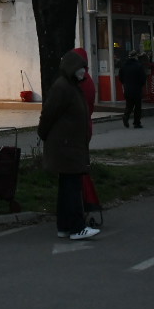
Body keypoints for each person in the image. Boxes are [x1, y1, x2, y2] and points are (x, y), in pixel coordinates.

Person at [39, 50, 99, 240]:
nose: (83, 72)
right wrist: (44, 133)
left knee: (68, 188)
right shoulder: (63, 88)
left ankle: (65, 226)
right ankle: (76, 227)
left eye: (84, 69)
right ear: (71, 69)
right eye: (80, 69)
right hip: (66, 147)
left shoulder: (72, 86)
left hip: (70, 145)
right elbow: (48, 114)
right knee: (72, 189)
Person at [117, 51, 147, 128]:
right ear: (135, 57)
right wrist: (141, 84)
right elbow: (143, 78)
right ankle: (136, 123)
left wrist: (125, 83)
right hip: (137, 89)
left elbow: (120, 77)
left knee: (129, 105)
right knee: (137, 107)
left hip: (127, 89)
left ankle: (125, 117)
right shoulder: (139, 66)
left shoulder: (124, 66)